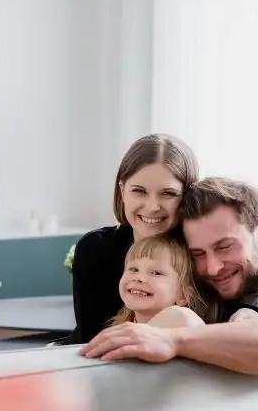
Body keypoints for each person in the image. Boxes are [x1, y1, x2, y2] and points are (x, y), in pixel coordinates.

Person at [80, 177, 258, 375]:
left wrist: (175, 340)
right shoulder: (202, 275)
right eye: (198, 254)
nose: (213, 268)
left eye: (225, 246)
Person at [64, 133, 200, 345]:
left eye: (168, 194)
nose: (153, 206)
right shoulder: (95, 249)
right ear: (122, 190)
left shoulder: (199, 250)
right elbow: (89, 338)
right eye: (139, 191)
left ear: (187, 196)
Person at [110, 232, 207, 329]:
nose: (139, 278)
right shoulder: (116, 332)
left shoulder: (188, 328)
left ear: (183, 296)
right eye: (133, 269)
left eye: (156, 273)